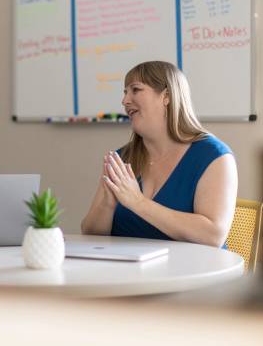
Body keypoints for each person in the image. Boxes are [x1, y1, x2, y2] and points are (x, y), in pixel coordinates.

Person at [81, 61, 237, 247]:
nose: (125, 101)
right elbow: (90, 235)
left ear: (167, 96)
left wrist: (137, 202)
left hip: (194, 273)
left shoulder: (214, 156)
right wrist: (108, 203)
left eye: (135, 90)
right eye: (125, 93)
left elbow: (213, 236)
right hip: (130, 274)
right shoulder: (122, 158)